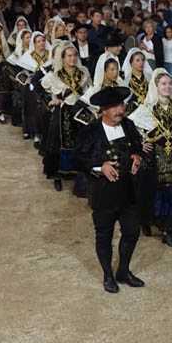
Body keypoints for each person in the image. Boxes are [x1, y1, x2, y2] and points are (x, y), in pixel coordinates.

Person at [74, 85, 146, 294]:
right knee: (104, 235)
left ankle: (123, 270)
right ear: (103, 110)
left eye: (121, 105)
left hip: (128, 190)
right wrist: (100, 167)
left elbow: (138, 146)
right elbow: (79, 158)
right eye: (114, 107)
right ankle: (108, 275)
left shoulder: (128, 125)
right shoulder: (90, 131)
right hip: (103, 193)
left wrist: (137, 156)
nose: (120, 111)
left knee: (132, 231)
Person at [130, 68, 172, 247]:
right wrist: (141, 143)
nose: (167, 87)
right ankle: (158, 226)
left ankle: (169, 226)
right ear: (156, 86)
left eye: (170, 84)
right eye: (163, 84)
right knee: (155, 191)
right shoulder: (147, 109)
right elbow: (131, 127)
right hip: (154, 157)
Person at [41, 41, 93, 192]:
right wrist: (53, 100)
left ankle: (76, 172)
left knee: (79, 142)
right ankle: (57, 175)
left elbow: (89, 90)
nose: (73, 58)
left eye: (75, 55)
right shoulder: (55, 75)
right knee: (58, 142)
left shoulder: (83, 73)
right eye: (69, 56)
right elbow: (43, 89)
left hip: (79, 112)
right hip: (62, 113)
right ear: (62, 58)